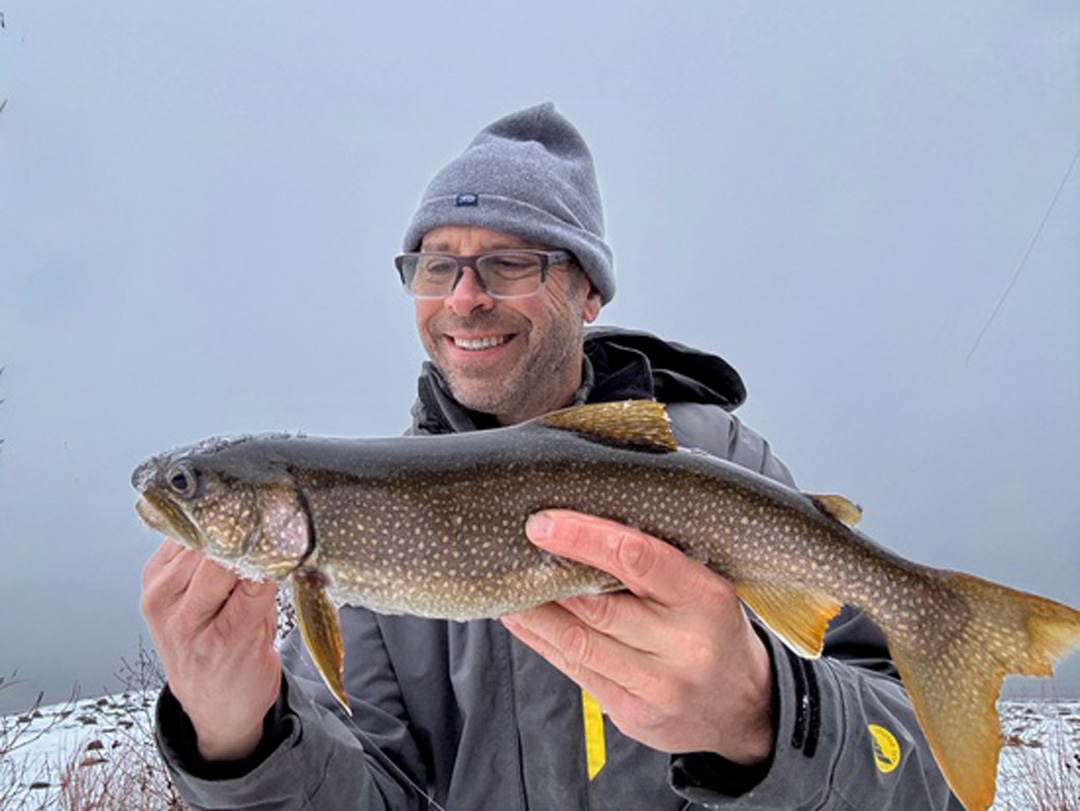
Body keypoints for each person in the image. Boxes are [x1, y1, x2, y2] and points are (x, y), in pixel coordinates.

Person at [141, 103, 961, 809]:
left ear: (589, 290)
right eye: (437, 265)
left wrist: (766, 715)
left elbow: (928, 782)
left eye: (508, 262)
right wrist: (236, 739)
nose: (465, 296)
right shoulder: (362, 540)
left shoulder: (715, 460)